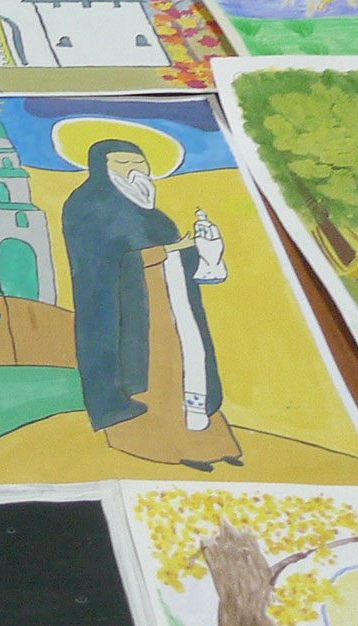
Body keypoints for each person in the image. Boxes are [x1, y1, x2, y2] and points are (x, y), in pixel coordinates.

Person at [59, 137, 239, 469]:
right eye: (122, 164)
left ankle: (210, 444)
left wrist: (205, 251)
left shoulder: (154, 216)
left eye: (138, 163)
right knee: (155, 373)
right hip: (127, 313)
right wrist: (164, 252)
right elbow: (98, 264)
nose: (133, 171)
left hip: (173, 304)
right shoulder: (87, 206)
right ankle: (164, 447)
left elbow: (177, 256)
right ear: (102, 168)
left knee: (189, 362)